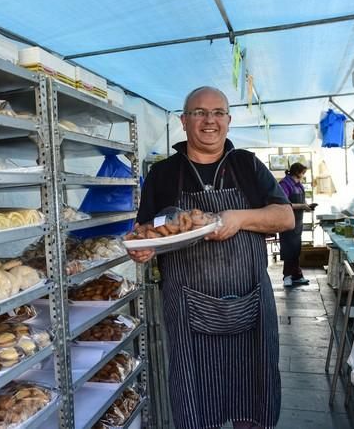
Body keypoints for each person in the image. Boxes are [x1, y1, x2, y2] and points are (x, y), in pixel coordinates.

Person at [129, 86, 294, 429]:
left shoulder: (247, 165)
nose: (210, 121)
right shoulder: (163, 174)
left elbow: (285, 217)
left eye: (218, 113)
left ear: (229, 121)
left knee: (254, 390)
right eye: (199, 113)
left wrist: (239, 218)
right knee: (194, 397)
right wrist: (143, 249)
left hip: (250, 304)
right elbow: (146, 231)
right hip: (189, 312)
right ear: (184, 121)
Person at [278, 162, 316, 287]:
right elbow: (285, 204)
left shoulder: (299, 186)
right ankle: (287, 276)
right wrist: (303, 206)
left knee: (296, 249)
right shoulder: (284, 184)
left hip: (298, 222)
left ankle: (296, 275)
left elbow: (301, 201)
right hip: (287, 222)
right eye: (303, 173)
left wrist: (307, 206)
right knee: (289, 249)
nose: (304, 175)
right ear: (298, 172)